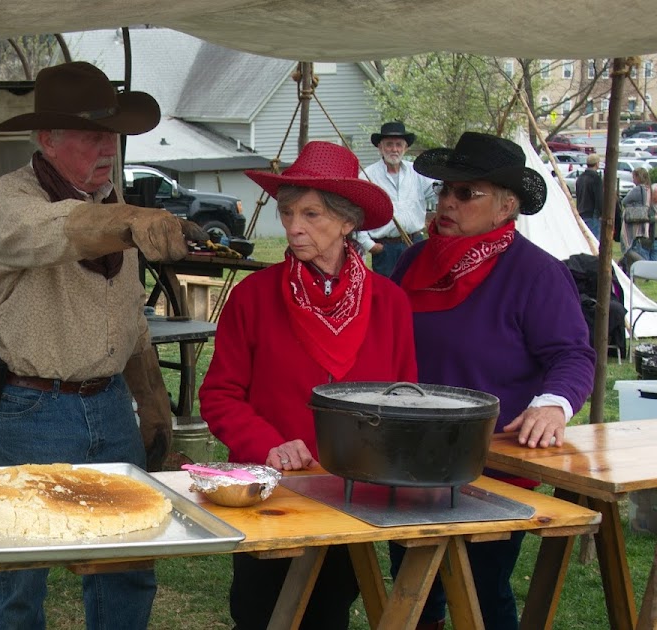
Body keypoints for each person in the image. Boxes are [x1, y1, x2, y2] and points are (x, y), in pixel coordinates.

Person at [0, 61, 199, 630]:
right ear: (47, 139)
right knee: (23, 559)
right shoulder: (10, 197)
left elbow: (131, 319)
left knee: (127, 557)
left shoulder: (112, 202)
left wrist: (151, 401)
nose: (108, 147)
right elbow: (50, 231)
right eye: (93, 135)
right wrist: (129, 219)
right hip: (34, 408)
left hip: (108, 402)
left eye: (112, 136)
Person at [199, 141, 419, 629]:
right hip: (270, 493)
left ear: (347, 223)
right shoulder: (252, 297)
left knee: (330, 610)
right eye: (287, 212)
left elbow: (405, 400)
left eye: (312, 214)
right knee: (260, 614)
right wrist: (269, 445)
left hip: (352, 492)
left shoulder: (390, 302)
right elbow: (219, 394)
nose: (294, 227)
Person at [391, 132, 596, 630]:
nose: (448, 202)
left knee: (481, 592)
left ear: (507, 206)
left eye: (466, 193)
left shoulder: (536, 273)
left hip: (490, 461)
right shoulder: (413, 261)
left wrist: (552, 405)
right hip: (407, 455)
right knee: (412, 590)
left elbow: (572, 354)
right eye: (444, 191)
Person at [354, 121, 436, 276]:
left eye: (399, 144)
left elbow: (437, 193)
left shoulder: (417, 171)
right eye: (389, 144)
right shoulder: (367, 175)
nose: (394, 149)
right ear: (380, 148)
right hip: (386, 248)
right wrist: (369, 244)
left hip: (415, 243)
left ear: (405, 148)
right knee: (388, 294)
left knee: (417, 289)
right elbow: (358, 213)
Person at [622, 166, 654, 258]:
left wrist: (632, 207)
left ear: (638, 177)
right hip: (647, 225)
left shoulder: (637, 190)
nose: (633, 180)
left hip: (636, 226)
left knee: (635, 251)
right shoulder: (650, 189)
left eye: (634, 177)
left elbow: (624, 201)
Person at [575, 153, 604, 239]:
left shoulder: (580, 178)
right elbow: (599, 198)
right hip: (592, 214)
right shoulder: (596, 179)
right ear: (597, 164)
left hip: (581, 212)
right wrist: (601, 213)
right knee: (594, 241)